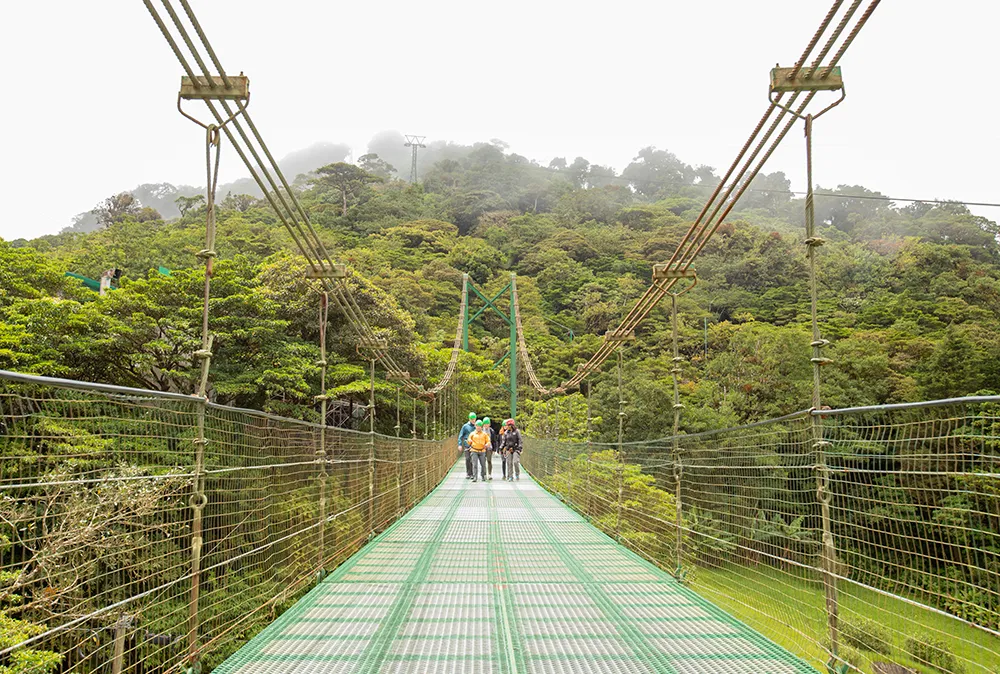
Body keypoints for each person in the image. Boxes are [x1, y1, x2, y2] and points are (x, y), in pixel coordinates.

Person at [458, 412, 477, 479]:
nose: (473, 420)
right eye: (472, 419)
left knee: (473, 459)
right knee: (467, 459)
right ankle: (468, 473)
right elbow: (460, 436)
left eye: (474, 419)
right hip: (467, 445)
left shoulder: (477, 426)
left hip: (474, 445)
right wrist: (460, 444)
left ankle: (472, 474)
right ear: (469, 419)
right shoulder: (465, 426)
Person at [482, 417, 497, 481]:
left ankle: (489, 474)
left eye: (487, 424)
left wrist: (494, 449)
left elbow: (494, 441)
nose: (486, 425)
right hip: (482, 448)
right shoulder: (481, 430)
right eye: (485, 424)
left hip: (489, 448)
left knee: (489, 460)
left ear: (489, 424)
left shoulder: (492, 431)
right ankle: (484, 474)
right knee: (483, 461)